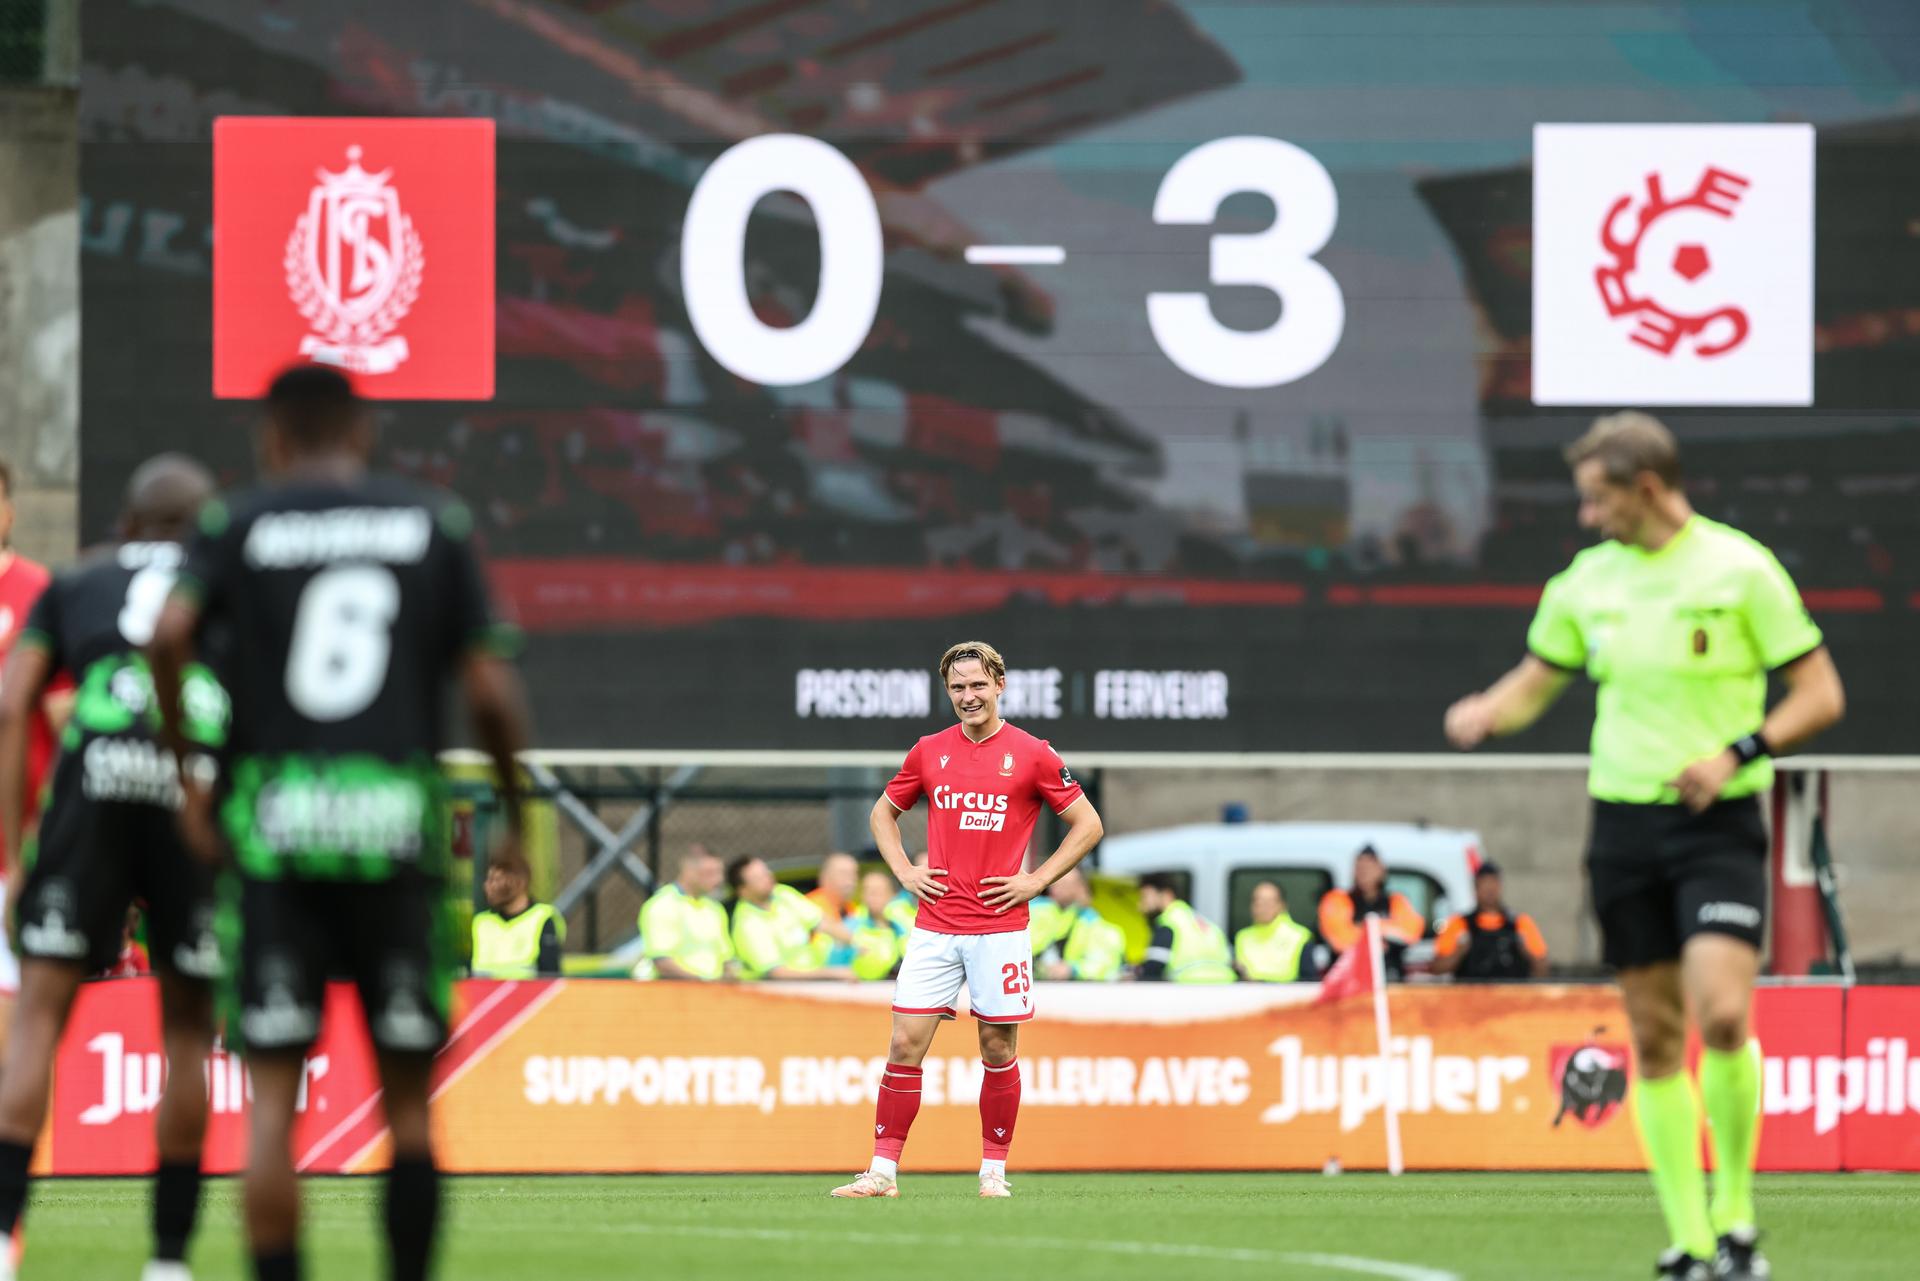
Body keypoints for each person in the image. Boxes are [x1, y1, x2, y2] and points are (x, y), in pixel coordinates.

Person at [149, 365, 534, 1281]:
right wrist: (514, 811)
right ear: (362, 433)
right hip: (395, 828)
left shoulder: (235, 523)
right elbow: (487, 685)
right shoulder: (430, 523)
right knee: (408, 1105)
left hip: (274, 826)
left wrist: (191, 783)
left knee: (274, 1105)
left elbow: (166, 634)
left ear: (272, 439)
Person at [1444, 411, 1845, 1281]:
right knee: (1658, 1039)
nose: (1588, 517)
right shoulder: (1585, 583)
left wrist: (1739, 752)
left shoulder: (1740, 570)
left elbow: (1820, 692)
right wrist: (1486, 711)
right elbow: (1535, 682)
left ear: (1648, 489)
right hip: (1623, 830)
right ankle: (1691, 1242)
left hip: (1719, 824)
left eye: (1599, 499)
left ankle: (1737, 1219)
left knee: (1725, 1013)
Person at [0, 455, 227, 1281]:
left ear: (125, 525)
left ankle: (0, 1241)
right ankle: (167, 1260)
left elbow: (9, 701)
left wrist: (18, 846)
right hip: (186, 788)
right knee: (187, 1037)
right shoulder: (226, 584)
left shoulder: (79, 579)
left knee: (36, 1026)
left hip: (91, 789)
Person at [831, 641, 1102, 1200]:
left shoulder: (1033, 753)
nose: (968, 696)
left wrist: (1034, 881)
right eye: (957, 687)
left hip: (1000, 928)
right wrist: (905, 870)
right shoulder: (930, 751)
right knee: (905, 1044)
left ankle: (993, 1172)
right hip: (934, 925)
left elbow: (1088, 824)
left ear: (999, 685)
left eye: (978, 685)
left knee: (997, 1048)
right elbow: (883, 812)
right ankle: (881, 1173)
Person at [0, 456, 68, 1055]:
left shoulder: (40, 591)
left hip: (17, 850)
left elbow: (66, 720)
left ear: (9, 508)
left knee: (15, 1007)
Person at [728, 856, 852, 980]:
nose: (767, 878)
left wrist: (857, 943)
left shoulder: (782, 893)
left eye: (766, 872)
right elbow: (776, 973)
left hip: (816, 979)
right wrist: (832, 974)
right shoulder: (747, 924)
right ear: (743, 890)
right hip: (781, 991)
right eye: (758, 878)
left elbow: (823, 923)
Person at [1317, 845, 1425, 979]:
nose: (1364, 872)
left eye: (1369, 867)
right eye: (1360, 867)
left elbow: (1410, 933)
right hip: (1349, 981)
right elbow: (1341, 940)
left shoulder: (1396, 901)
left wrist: (1365, 929)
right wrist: (1381, 936)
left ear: (1381, 870)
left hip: (1389, 979)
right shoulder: (1337, 899)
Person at [1431, 863, 1549, 981]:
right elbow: (1436, 968)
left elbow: (1543, 969)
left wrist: (1524, 951)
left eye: (1494, 883)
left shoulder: (1520, 923)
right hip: (1471, 997)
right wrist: (1459, 951)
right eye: (1485, 884)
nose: (1490, 890)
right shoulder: (1459, 924)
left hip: (1511, 997)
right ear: (1476, 888)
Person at [636, 846, 736, 981]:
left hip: (714, 994)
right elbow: (663, 962)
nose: (718, 879)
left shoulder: (715, 908)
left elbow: (726, 959)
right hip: (678, 994)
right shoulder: (662, 905)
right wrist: (703, 983)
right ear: (689, 872)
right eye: (710, 873)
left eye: (719, 873)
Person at [470, 850, 564, 978]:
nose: (487, 886)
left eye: (496, 879)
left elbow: (550, 977)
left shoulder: (542, 918)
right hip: (483, 997)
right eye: (488, 879)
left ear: (519, 881)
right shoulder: (480, 923)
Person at [1135, 873, 1235, 983]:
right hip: (1225, 986)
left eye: (1145, 897)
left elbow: (1153, 968)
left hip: (1189, 987)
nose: (1141, 905)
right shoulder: (1205, 922)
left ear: (1167, 894)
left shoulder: (1168, 922)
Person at [1036, 869, 1126, 982]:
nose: (1054, 889)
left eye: (1064, 884)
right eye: (1053, 884)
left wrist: (1073, 969)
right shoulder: (1044, 912)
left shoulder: (1104, 929)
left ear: (1082, 888)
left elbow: (1106, 967)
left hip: (1081, 992)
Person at [1234, 881, 1317, 983]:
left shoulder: (1300, 936)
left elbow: (1308, 981)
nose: (1261, 907)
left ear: (1282, 905)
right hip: (1249, 997)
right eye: (1257, 901)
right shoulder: (1242, 937)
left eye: (1267, 902)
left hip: (1287, 996)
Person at [843, 870, 909, 981]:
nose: (873, 896)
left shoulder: (901, 928)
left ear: (891, 895)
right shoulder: (850, 926)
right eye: (869, 891)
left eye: (879, 891)